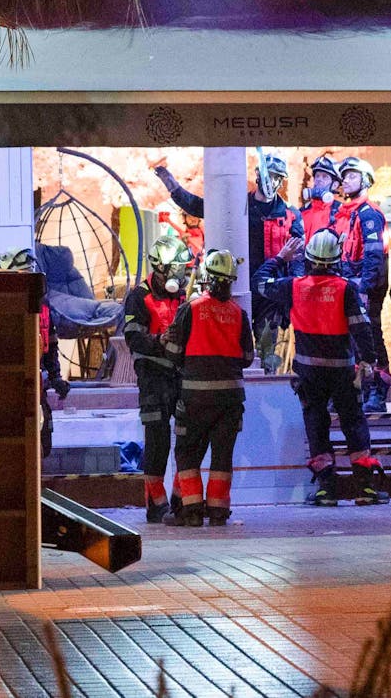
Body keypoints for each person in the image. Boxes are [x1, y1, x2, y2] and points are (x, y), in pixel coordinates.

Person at [255, 231, 387, 507]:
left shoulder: (293, 286)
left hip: (309, 372)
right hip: (342, 372)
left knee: (316, 426)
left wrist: (280, 258)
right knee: (354, 425)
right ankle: (365, 489)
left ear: (308, 258)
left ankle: (327, 489)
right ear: (338, 259)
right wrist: (368, 361)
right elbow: (361, 327)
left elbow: (259, 283)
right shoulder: (346, 288)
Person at [153, 153, 304, 368]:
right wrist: (171, 184)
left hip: (269, 291)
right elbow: (197, 206)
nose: (272, 181)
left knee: (266, 344)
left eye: (277, 177)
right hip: (234, 284)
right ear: (258, 176)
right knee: (231, 341)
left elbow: (298, 256)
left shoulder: (290, 215)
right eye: (268, 175)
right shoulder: (238, 203)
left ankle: (265, 381)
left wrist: (294, 290)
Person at [164, 249, 255, 527]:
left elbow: (173, 351)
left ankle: (190, 512)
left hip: (195, 396)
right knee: (222, 455)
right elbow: (248, 358)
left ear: (206, 277)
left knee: (188, 452)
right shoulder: (239, 314)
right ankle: (218, 511)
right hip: (230, 399)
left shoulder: (190, 308)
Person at [122, 236, 192, 523]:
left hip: (180, 375)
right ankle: (155, 503)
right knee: (157, 440)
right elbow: (133, 337)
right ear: (159, 269)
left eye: (182, 270)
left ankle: (179, 500)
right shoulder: (139, 297)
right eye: (174, 271)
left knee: (187, 440)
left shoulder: (182, 297)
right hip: (152, 377)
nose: (178, 277)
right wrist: (159, 341)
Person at [332, 156, 391, 413]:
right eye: (344, 176)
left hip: (365, 288)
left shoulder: (370, 214)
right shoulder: (347, 213)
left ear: (366, 180)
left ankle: (378, 388)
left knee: (370, 337)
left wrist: (365, 289)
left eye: (352, 176)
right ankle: (359, 390)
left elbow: (373, 255)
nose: (346, 180)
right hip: (350, 287)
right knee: (354, 341)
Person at [0, 248, 70, 455]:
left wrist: (55, 377)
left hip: (38, 384)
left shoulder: (42, 305)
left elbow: (51, 344)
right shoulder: (1, 308)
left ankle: (38, 483)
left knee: (43, 441)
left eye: (30, 273)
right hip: (10, 385)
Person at [301, 154, 341, 237]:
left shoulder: (341, 212)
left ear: (334, 185)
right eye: (317, 176)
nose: (319, 180)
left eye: (325, 177)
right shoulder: (302, 212)